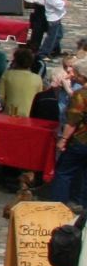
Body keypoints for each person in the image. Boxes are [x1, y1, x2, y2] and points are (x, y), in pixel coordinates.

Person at [50, 58, 87, 208]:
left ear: (82, 76)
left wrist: (63, 139)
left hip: (81, 139)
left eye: (75, 73)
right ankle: (82, 207)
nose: (71, 75)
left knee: (63, 172)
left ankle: (58, 206)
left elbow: (73, 121)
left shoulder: (81, 95)